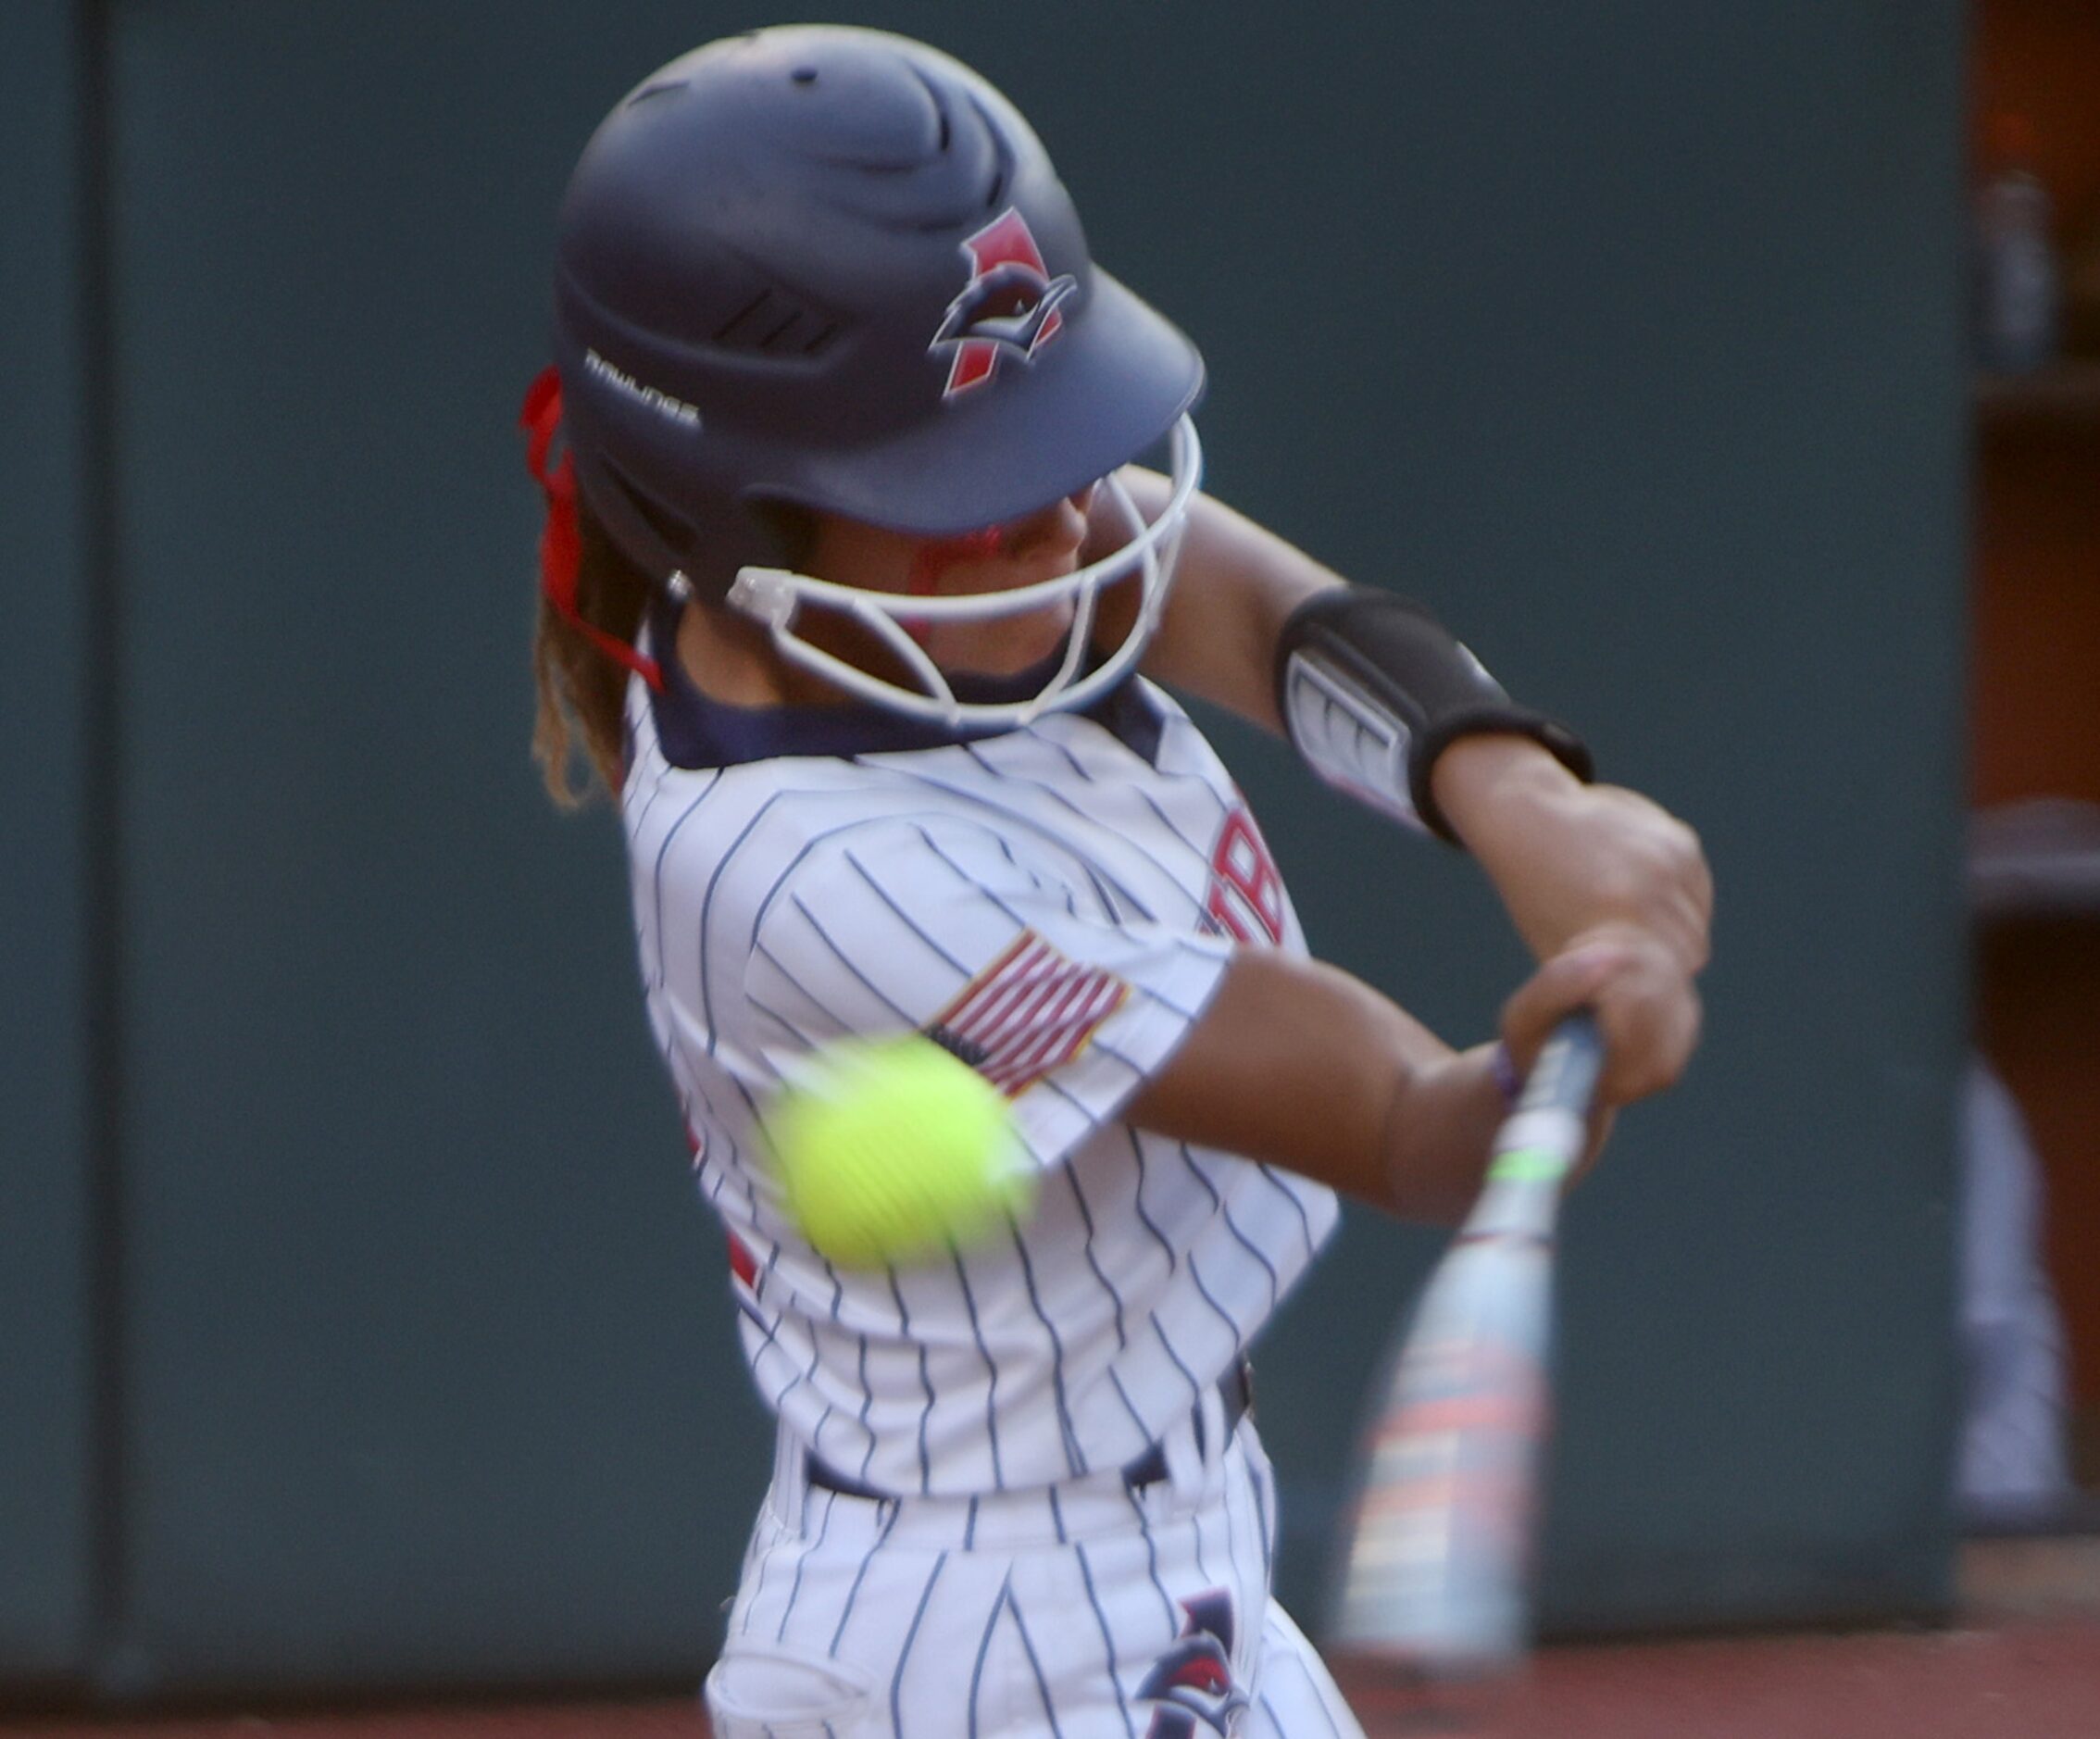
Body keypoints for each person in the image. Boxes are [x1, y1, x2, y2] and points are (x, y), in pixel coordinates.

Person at [524, 26, 1708, 1738]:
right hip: (1006, 1633)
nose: (1065, 525)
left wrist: (1510, 787)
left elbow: (1217, 590)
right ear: (741, 516)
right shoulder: (810, 875)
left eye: (1045, 459)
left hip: (1129, 1558)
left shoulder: (861, 600)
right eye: (968, 495)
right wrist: (1537, 1076)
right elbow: (1393, 1123)